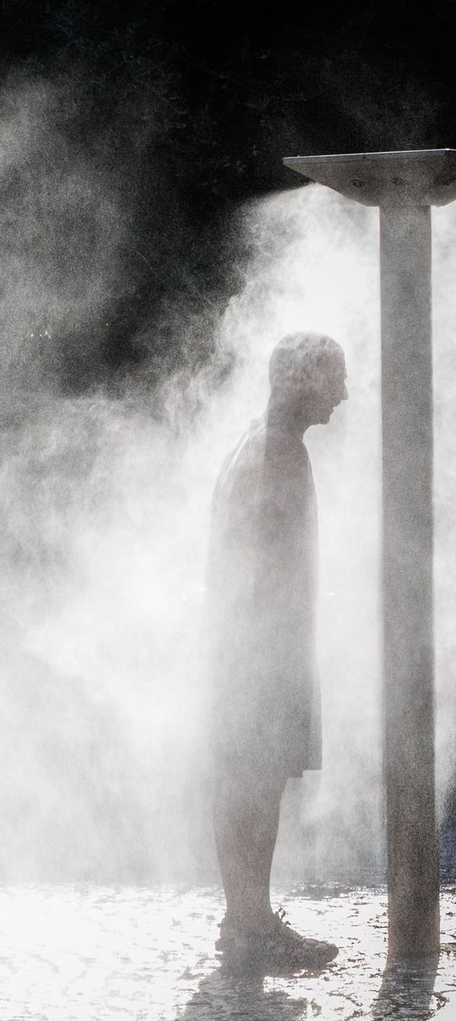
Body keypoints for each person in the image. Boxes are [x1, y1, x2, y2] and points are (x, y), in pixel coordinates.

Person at [206, 331, 347, 974]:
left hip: (246, 644)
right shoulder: (279, 450)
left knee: (248, 781)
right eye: (333, 378)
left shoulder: (257, 440)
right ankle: (251, 924)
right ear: (299, 381)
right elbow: (264, 561)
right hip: (262, 647)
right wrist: (272, 658)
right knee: (255, 785)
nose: (343, 393)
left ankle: (246, 919)